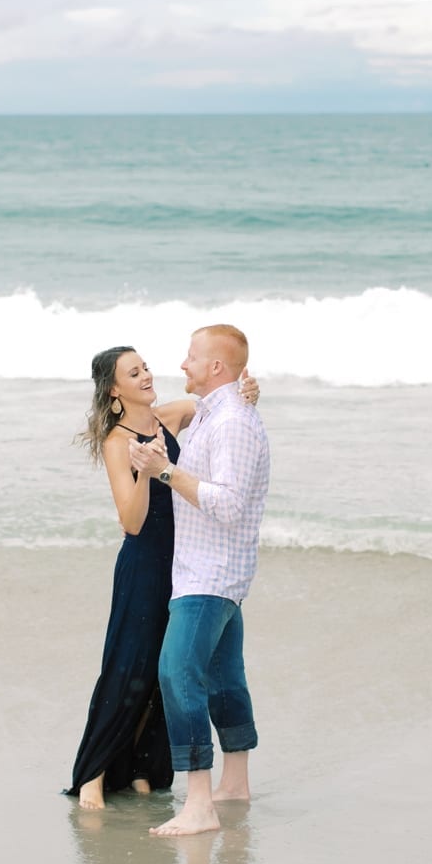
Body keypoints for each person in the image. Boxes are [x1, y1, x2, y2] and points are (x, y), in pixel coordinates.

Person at [66, 346, 259, 810]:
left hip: (184, 561)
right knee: (127, 662)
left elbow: (219, 404)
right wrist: (148, 470)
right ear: (115, 390)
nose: (148, 375)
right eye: (135, 373)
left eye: (146, 367)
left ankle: (142, 770)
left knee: (161, 667)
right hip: (143, 564)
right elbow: (131, 521)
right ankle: (92, 773)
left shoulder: (168, 417)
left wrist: (247, 391)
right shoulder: (117, 441)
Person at [128, 324, 271, 837]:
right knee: (224, 678)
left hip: (210, 573)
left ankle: (199, 805)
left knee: (177, 673)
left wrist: (164, 471)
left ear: (216, 368)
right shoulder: (218, 412)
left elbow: (229, 504)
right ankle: (235, 785)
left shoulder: (231, 420)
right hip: (214, 571)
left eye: (191, 358)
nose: (182, 365)